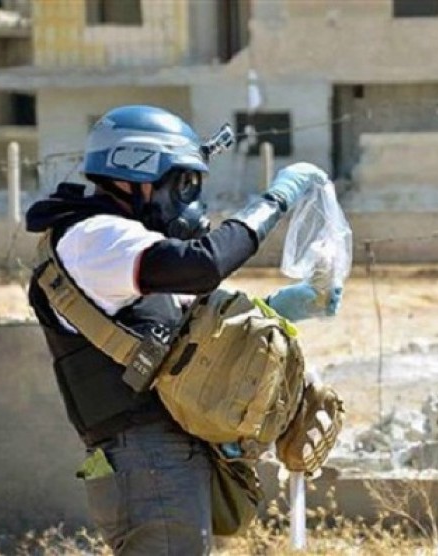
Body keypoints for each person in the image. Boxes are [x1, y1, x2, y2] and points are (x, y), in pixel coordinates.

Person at [25, 105, 343, 555]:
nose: (191, 200)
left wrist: (282, 308)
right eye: (183, 182)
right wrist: (276, 201)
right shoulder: (92, 236)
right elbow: (203, 266)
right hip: (147, 458)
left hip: (162, 459)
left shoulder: (125, 247)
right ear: (135, 170)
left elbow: (188, 336)